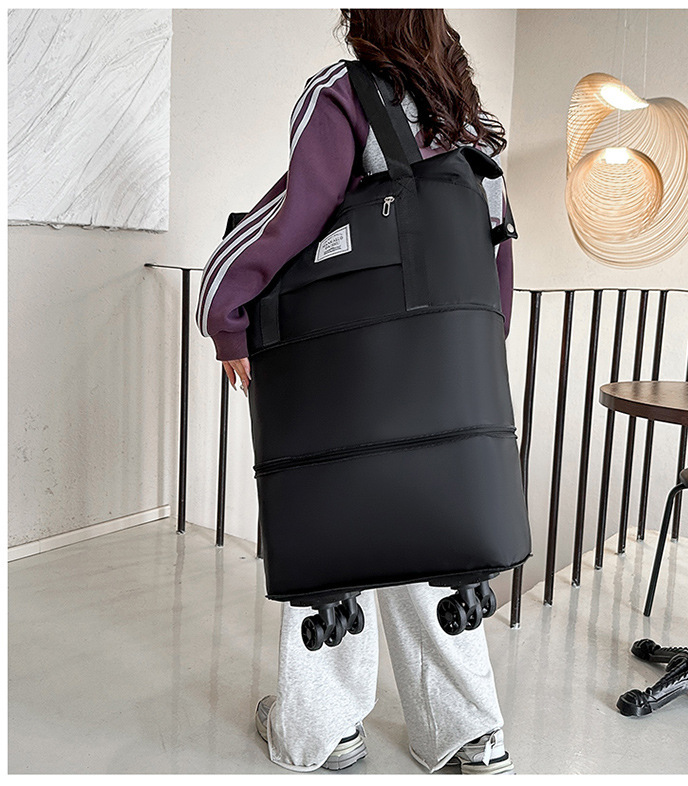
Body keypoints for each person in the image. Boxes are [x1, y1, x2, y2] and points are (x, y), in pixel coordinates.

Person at [195, 9, 517, 775]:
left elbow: (292, 222)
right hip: (457, 369)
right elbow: (498, 260)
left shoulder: (344, 94)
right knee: (434, 531)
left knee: (336, 519)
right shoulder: (468, 122)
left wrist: (224, 310)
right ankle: (470, 733)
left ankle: (323, 729)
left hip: (356, 360)